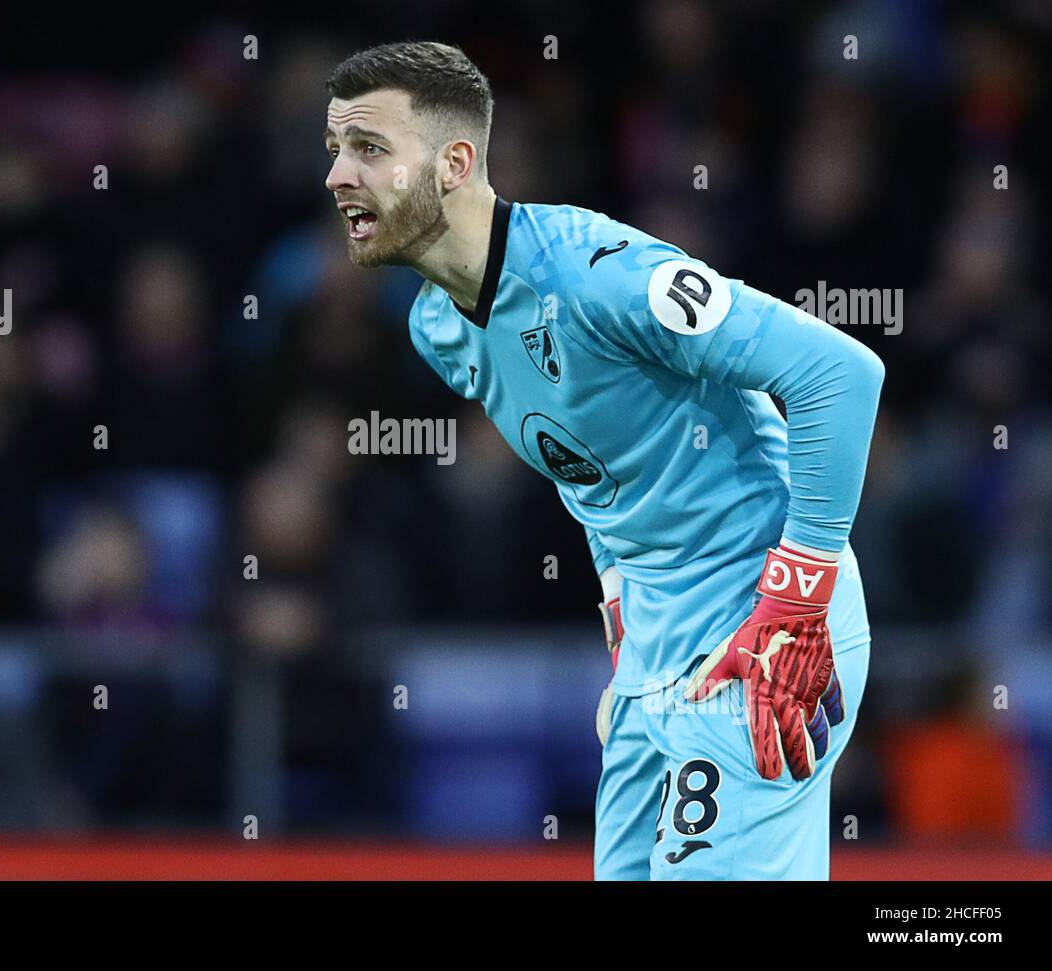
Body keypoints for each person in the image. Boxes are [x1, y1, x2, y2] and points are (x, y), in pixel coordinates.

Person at [322, 41, 884, 879]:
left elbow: (840, 374)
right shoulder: (437, 328)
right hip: (657, 654)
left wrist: (796, 605)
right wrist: (627, 631)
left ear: (455, 162)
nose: (336, 174)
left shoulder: (597, 277)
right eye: (334, 147)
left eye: (368, 148)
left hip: (759, 625)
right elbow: (586, 467)